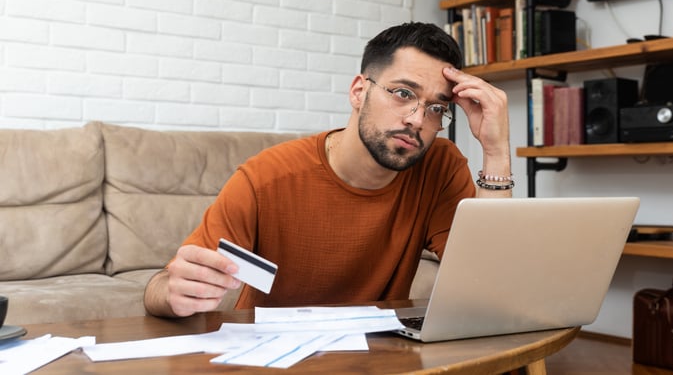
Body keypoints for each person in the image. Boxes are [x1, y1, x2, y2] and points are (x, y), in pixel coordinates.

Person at [144, 22, 511, 318]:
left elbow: (488, 282)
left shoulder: (439, 166)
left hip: (384, 357)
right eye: (403, 93)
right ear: (358, 91)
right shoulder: (265, 178)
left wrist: (495, 150)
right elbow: (160, 289)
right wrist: (173, 292)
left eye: (436, 108)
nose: (417, 119)